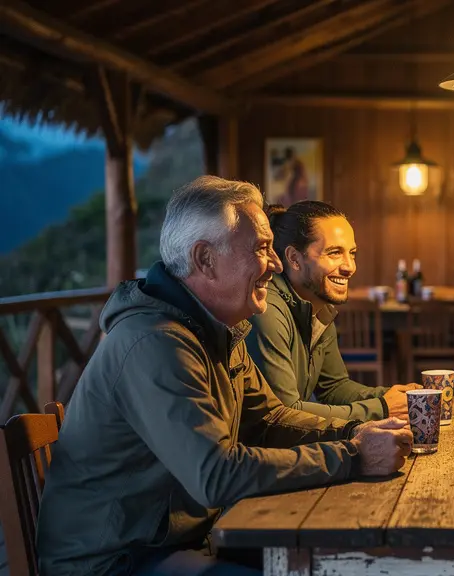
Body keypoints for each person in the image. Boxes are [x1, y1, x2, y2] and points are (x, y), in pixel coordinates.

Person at [36, 176, 413, 576]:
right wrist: (353, 457)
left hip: (172, 540)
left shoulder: (216, 331)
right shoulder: (156, 343)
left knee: (330, 562)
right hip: (115, 560)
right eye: (262, 248)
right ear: (205, 260)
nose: (275, 264)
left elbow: (270, 419)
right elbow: (217, 475)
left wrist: (359, 431)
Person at [246, 202, 419, 421]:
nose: (350, 267)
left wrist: (392, 396)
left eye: (352, 253)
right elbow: (286, 413)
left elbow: (333, 388)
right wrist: (382, 408)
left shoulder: (318, 305)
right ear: (294, 259)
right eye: (335, 252)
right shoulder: (267, 310)